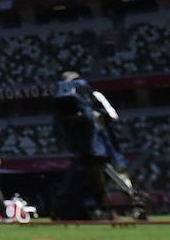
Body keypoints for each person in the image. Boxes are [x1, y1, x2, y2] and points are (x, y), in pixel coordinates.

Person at [52, 69, 149, 220]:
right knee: (119, 176)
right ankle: (132, 209)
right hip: (103, 145)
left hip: (86, 146)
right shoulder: (95, 96)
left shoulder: (61, 102)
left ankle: (107, 211)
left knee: (100, 181)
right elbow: (113, 116)